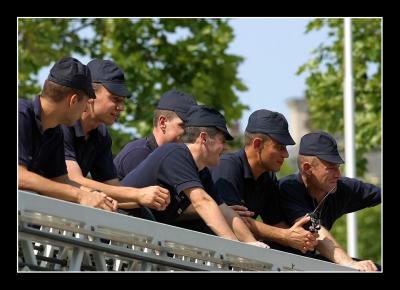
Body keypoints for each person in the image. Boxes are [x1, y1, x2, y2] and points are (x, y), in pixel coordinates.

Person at [120, 105, 267, 247]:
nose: (225, 148)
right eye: (222, 141)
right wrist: (234, 247)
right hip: (117, 229)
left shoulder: (201, 171)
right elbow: (202, 202)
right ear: (203, 138)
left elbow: (223, 210)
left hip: (137, 235)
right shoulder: (176, 154)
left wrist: (252, 243)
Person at [61, 59, 170, 212]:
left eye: (123, 102)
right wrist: (137, 194)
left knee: (141, 211)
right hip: (30, 208)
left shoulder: (101, 134)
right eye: (116, 99)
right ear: (90, 94)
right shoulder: (63, 123)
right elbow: (72, 179)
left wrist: (144, 199)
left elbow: (111, 187)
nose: (121, 108)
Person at [211, 109, 318, 254]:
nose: (286, 154)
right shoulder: (227, 166)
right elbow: (233, 221)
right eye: (280, 147)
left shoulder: (268, 177)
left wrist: (301, 238)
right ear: (257, 144)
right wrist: (286, 236)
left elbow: (275, 223)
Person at [18, 57, 117, 212]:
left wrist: (95, 195)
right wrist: (79, 195)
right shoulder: (20, 115)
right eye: (85, 103)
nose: (86, 110)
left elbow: (61, 180)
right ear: (73, 100)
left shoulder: (54, 131)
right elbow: (20, 177)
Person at [279, 131, 381, 271]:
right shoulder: (288, 188)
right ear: (307, 168)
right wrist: (349, 264)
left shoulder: (341, 187)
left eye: (338, 167)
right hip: (276, 263)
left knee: (374, 268)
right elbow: (318, 233)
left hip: (307, 262)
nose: (338, 174)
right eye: (331, 168)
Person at [114, 89, 197, 179]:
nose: (189, 132)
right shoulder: (139, 154)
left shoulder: (176, 158)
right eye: (183, 125)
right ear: (162, 123)